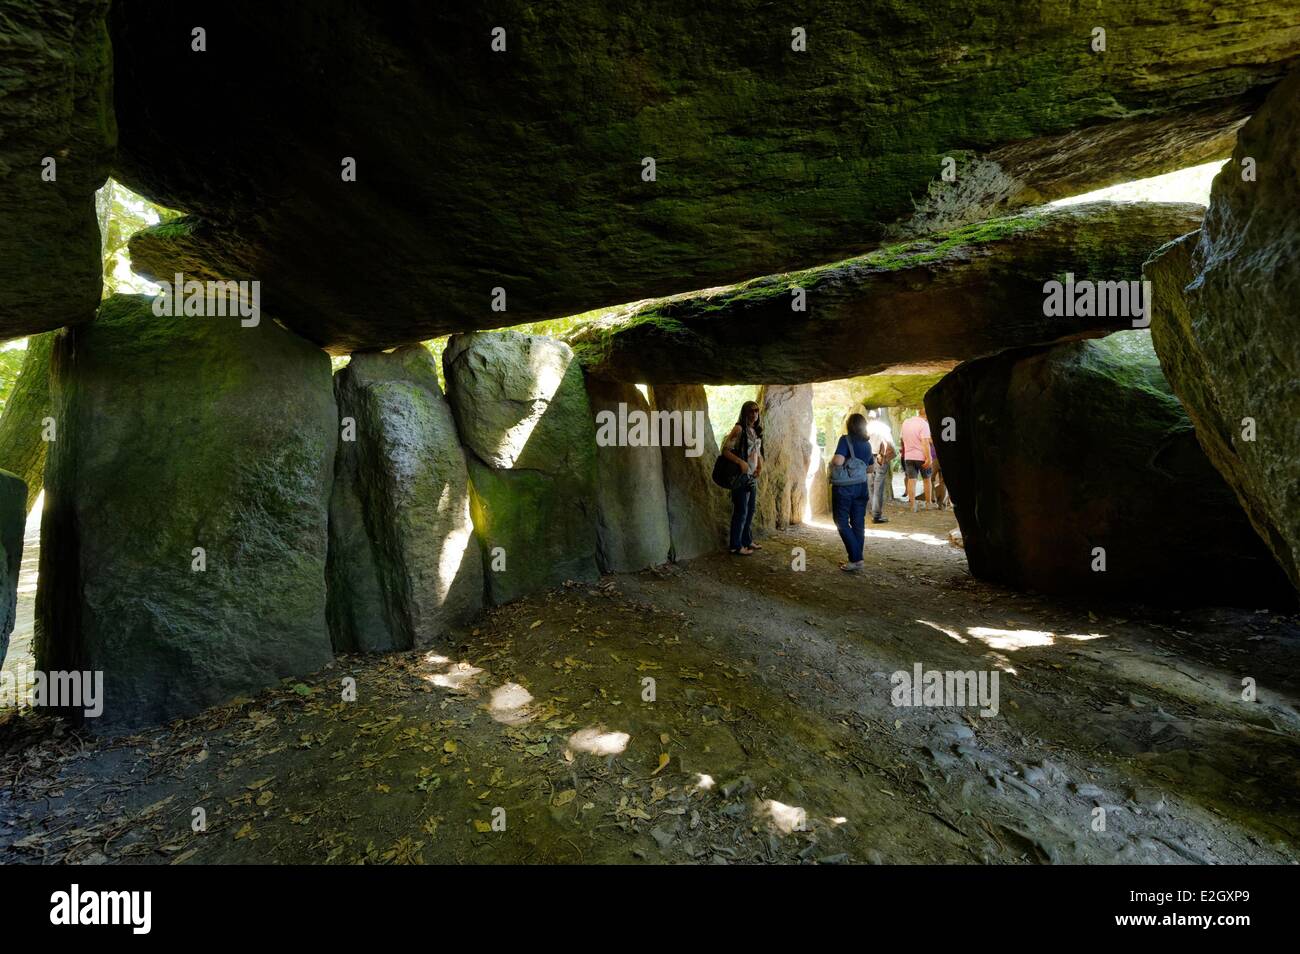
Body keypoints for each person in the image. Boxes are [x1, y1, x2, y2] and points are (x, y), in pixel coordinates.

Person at [829, 413, 873, 572]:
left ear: (849, 425)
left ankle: (856, 558)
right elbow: (870, 468)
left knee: (840, 520)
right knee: (858, 523)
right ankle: (856, 559)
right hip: (861, 487)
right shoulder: (867, 444)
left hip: (845, 488)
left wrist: (839, 460)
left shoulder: (845, 440)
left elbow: (838, 461)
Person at [721, 401, 763, 555]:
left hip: (752, 475)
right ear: (745, 413)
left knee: (750, 510)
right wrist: (740, 462)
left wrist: (759, 466)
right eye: (751, 411)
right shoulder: (739, 429)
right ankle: (736, 546)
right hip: (740, 476)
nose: (754, 414)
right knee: (741, 511)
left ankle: (747, 540)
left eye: (756, 411)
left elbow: (756, 452)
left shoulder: (754, 430)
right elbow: (725, 450)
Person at [899, 408, 933, 512]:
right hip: (921, 456)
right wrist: (929, 457)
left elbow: (901, 438)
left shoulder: (906, 422)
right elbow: (925, 442)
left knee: (911, 480)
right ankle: (928, 504)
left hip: (908, 456)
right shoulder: (924, 424)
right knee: (927, 480)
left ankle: (913, 505)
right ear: (927, 415)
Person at [865, 410, 893, 524]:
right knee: (878, 487)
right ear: (879, 416)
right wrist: (882, 455)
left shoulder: (865, 427)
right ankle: (876, 515)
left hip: (867, 458)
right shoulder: (883, 427)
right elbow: (887, 442)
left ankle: (872, 511)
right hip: (879, 458)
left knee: (869, 485)